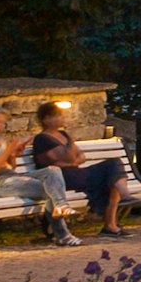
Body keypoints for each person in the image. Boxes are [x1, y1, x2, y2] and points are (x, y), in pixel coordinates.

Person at [26, 101, 124, 244]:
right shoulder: (42, 139)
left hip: (75, 173)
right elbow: (62, 159)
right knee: (111, 178)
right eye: (57, 115)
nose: (62, 118)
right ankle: (111, 216)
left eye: (61, 115)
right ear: (46, 119)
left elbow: (80, 156)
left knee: (114, 166)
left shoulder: (63, 134)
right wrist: (71, 155)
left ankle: (111, 224)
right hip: (60, 178)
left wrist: (71, 157)